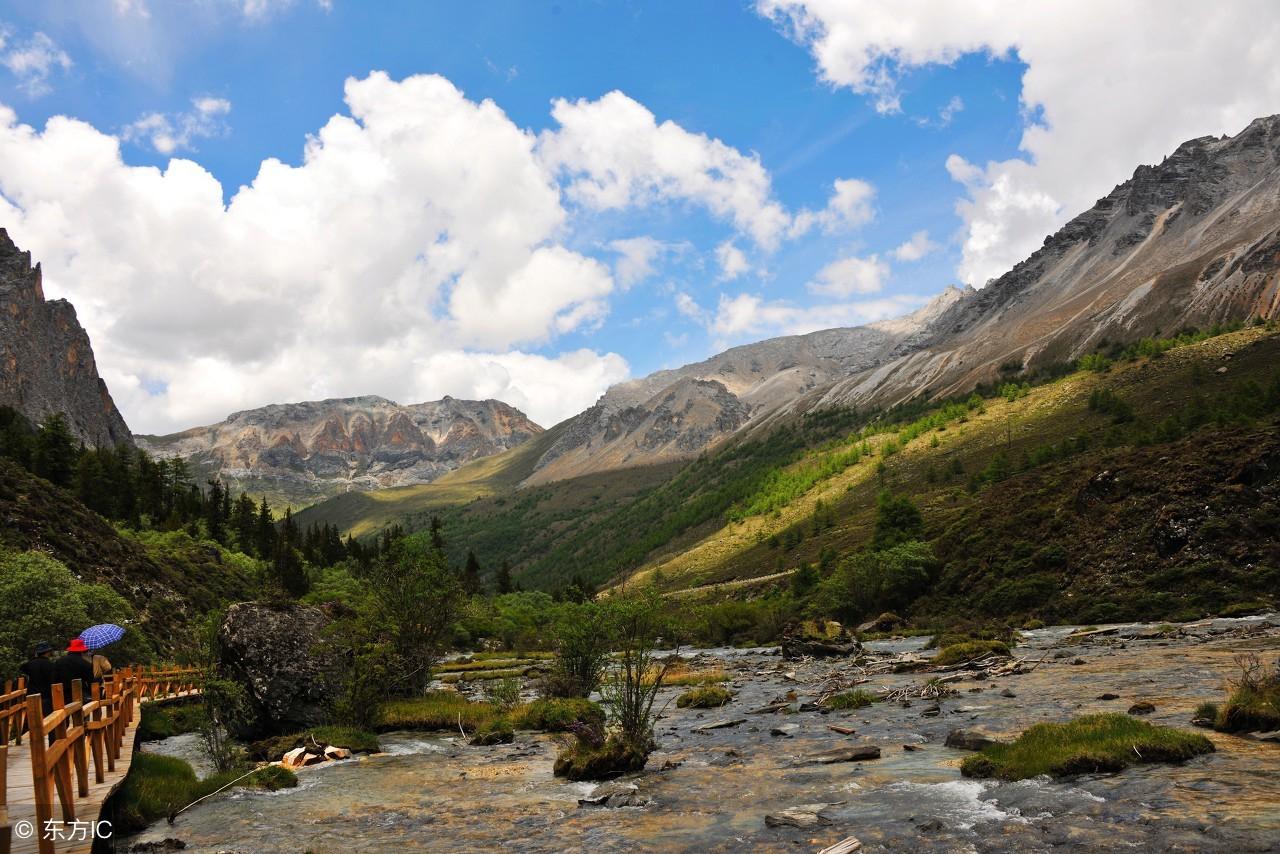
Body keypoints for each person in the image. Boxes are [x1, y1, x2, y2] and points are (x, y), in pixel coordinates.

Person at [52, 637, 96, 703]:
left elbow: (54, 680)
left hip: (63, 696)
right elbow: (91, 681)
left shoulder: (59, 662)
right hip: (81, 694)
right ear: (81, 650)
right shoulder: (85, 664)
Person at [18, 641, 56, 715]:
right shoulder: (50, 665)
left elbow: (22, 667)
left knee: (33, 719)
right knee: (47, 720)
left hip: (32, 695)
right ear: (47, 652)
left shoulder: (30, 664)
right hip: (46, 696)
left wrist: (35, 658)